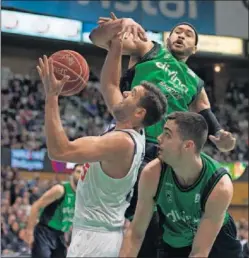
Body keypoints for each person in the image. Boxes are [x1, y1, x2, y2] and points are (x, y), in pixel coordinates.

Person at [90, 13, 236, 257]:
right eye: (178, 31)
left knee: (177, 226)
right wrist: (118, 25)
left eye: (188, 34)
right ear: (168, 38)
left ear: (195, 48)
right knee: (145, 225)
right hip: (133, 143)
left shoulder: (195, 83)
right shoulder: (148, 49)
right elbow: (97, 38)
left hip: (165, 154)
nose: (181, 35)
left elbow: (214, 126)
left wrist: (225, 140)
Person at [36, 34, 167, 257]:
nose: (125, 92)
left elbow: (60, 151)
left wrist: (52, 97)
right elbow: (110, 84)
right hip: (97, 233)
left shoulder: (121, 142)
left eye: (132, 93)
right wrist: (115, 45)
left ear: (139, 112)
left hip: (95, 239)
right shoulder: (132, 129)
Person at [119, 111, 242, 258]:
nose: (159, 138)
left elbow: (199, 252)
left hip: (217, 241)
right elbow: (135, 233)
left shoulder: (219, 186)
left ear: (188, 146)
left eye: (167, 134)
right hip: (175, 239)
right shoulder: (152, 173)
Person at [24, 164, 82, 258]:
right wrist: (29, 232)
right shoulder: (60, 189)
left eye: (83, 173)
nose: (80, 175)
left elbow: (69, 219)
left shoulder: (81, 196)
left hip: (60, 235)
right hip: (44, 232)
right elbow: (36, 206)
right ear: (72, 173)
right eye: (78, 172)